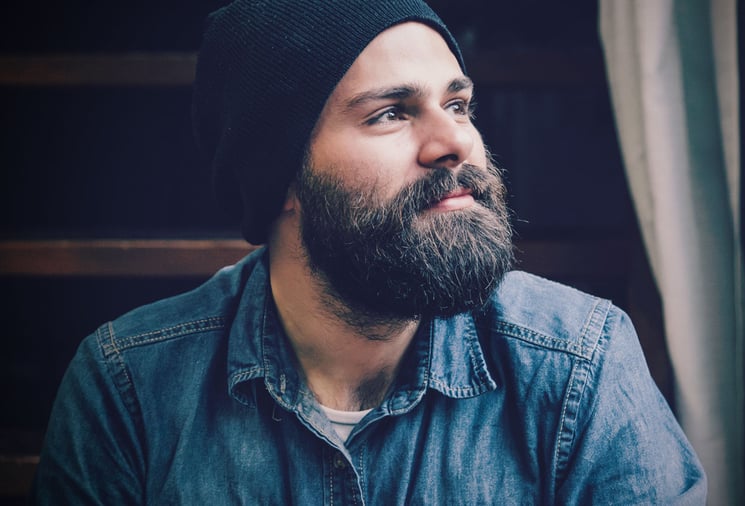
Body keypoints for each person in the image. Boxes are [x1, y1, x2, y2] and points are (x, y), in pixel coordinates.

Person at [33, 0, 706, 503]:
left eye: (458, 104)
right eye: (390, 113)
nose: (456, 142)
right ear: (281, 177)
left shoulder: (577, 364)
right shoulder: (129, 389)